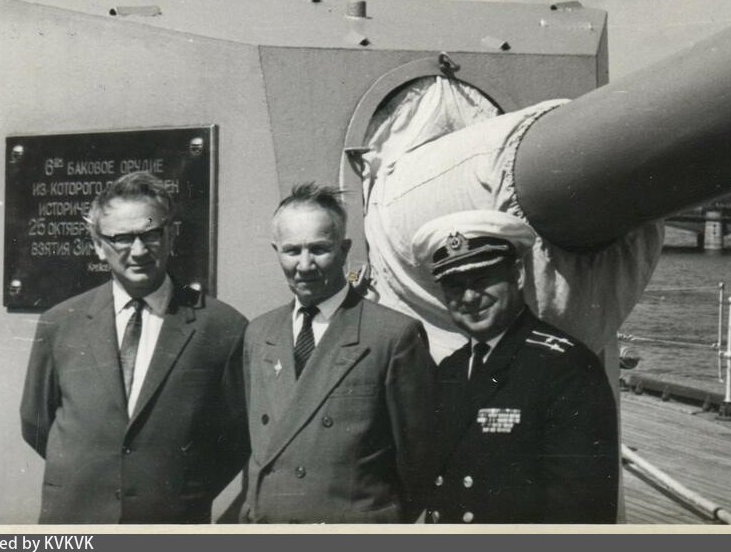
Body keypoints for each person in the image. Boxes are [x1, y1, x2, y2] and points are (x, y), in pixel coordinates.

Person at [20, 171, 248, 523]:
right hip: (77, 520)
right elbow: (36, 422)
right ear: (98, 246)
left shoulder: (223, 327)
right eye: (122, 238)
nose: (139, 251)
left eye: (151, 234)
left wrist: (182, 488)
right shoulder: (60, 323)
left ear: (171, 236)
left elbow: (236, 438)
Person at [240, 182, 436, 523]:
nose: (305, 265)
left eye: (319, 249)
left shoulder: (392, 335)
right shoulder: (259, 334)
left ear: (344, 250)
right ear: (276, 251)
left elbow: (419, 462)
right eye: (292, 251)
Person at [410, 210, 619, 524]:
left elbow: (583, 510)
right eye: (454, 286)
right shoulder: (451, 370)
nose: (469, 297)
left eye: (482, 279)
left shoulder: (566, 367)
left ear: (518, 275)